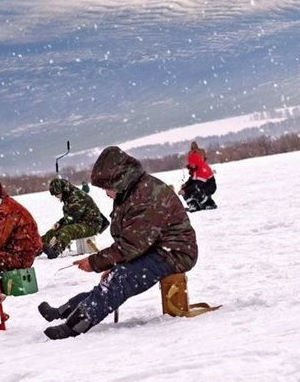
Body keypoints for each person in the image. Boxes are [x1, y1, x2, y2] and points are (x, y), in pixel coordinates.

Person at [38, 146, 198, 340]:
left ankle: (74, 326)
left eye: (107, 188)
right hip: (155, 247)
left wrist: (96, 262)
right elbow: (133, 241)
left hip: (175, 253)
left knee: (121, 278)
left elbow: (131, 245)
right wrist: (111, 262)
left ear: (119, 180)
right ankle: (65, 311)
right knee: (114, 278)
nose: (106, 193)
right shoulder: (131, 190)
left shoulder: (145, 196)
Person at [41, 178, 109, 259]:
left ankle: (55, 250)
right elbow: (70, 216)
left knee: (67, 230)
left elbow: (71, 219)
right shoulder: (69, 196)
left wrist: (56, 236)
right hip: (81, 222)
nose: (56, 197)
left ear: (64, 190)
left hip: (91, 225)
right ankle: (36, 246)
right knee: (54, 229)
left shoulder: (76, 196)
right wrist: (59, 223)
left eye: (57, 194)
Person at [179, 142, 217, 212]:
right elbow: (192, 180)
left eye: (192, 163)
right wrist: (185, 186)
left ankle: (209, 204)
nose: (191, 165)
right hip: (200, 184)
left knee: (196, 191)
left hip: (209, 186)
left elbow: (197, 184)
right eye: (190, 163)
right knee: (187, 189)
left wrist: (185, 190)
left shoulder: (202, 169)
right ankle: (194, 205)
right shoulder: (195, 169)